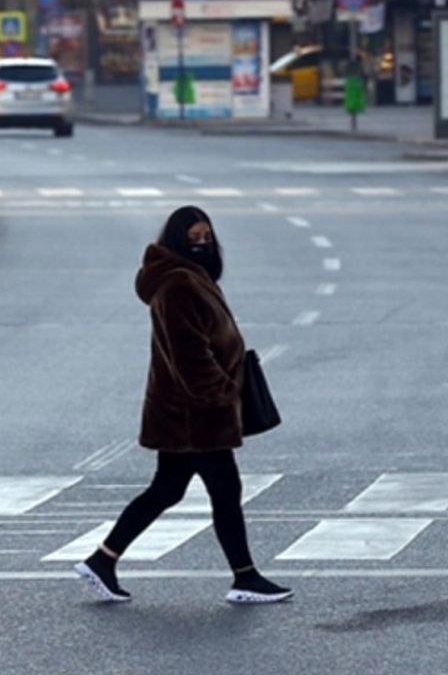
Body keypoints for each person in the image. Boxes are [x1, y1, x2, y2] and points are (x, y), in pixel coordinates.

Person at [75, 206, 292, 605]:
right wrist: (223, 394)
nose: (203, 244)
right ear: (178, 241)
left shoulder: (190, 278)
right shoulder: (178, 285)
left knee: (167, 489)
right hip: (195, 412)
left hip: (181, 411)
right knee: (224, 490)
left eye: (207, 237)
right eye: (194, 238)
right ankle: (245, 577)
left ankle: (102, 561)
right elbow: (189, 354)